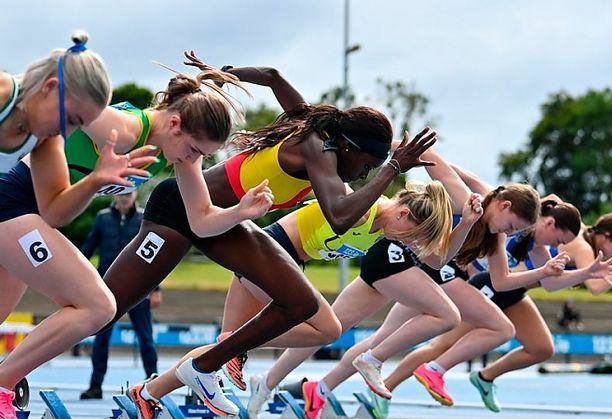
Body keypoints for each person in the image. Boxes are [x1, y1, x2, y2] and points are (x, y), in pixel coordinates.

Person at [101, 61, 437, 417]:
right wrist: (392, 169)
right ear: (349, 146)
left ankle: (204, 366)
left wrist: (226, 72)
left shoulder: (314, 130)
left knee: (304, 308)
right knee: (104, 309)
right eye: (366, 165)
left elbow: (273, 77)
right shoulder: (317, 148)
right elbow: (339, 217)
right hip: (180, 210)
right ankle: (40, 348)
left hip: (227, 224)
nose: (363, 174)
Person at [0, 31, 158, 418]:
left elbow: (54, 213)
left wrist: (94, 180)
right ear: (51, 87)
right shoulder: (3, 93)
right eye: (71, 119)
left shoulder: (45, 138)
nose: (68, 133)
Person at [379, 166, 612, 414]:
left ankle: (484, 378)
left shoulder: (542, 242)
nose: (559, 247)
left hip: (512, 291)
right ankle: (387, 386)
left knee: (541, 347)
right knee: (443, 345)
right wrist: (429, 161)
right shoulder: (565, 238)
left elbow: (549, 283)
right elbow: (593, 287)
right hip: (484, 284)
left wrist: (582, 272)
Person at [245, 189, 483, 419]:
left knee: (329, 330)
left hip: (380, 258)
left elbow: (437, 261)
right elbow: (335, 186)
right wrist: (394, 156)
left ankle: (267, 383)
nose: (410, 241)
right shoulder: (383, 212)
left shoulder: (400, 224)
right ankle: (371, 360)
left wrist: (466, 223)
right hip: (386, 261)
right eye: (511, 226)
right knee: (447, 316)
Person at [79, 192, 160, 400]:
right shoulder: (102, 217)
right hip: (106, 289)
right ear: (115, 195)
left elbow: (157, 256)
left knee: (145, 337)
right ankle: (95, 385)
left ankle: (154, 385)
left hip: (138, 287)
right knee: (101, 339)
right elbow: (87, 249)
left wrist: (156, 289)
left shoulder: (145, 219)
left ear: (136, 194)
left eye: (129, 193)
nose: (125, 197)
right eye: (121, 193)